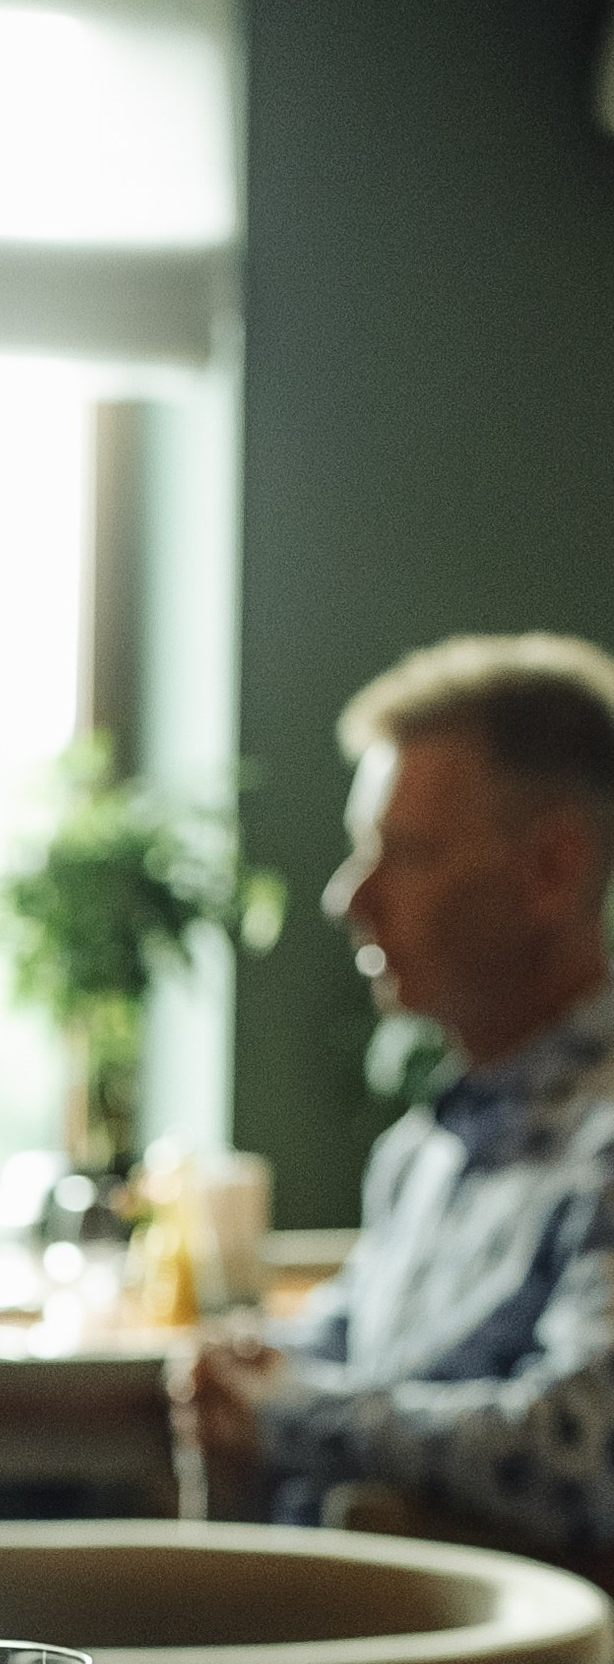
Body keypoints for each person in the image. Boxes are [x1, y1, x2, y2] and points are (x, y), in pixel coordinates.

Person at [174, 634, 614, 1554]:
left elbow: (585, 1450)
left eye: (404, 853)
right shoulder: (426, 1150)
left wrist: (293, 1416)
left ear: (551, 871)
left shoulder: (599, 1145)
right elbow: (354, 1349)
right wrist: (254, 1369)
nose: (349, 897)